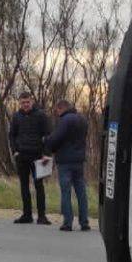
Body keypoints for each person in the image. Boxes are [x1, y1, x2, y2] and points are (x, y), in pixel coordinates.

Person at [42, 98, 89, 232]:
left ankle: (68, 222)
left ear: (61, 108)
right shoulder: (83, 120)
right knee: (81, 191)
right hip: (79, 160)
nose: (56, 113)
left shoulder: (65, 120)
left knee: (66, 191)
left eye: (57, 110)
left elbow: (56, 138)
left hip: (65, 161)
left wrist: (47, 142)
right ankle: (84, 222)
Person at [7, 90, 51, 225]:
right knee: (24, 186)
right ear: (19, 103)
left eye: (27, 102)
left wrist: (46, 153)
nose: (25, 104)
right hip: (22, 156)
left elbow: (48, 135)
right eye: (23, 103)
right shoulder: (16, 116)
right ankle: (27, 215)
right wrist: (15, 151)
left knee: (39, 186)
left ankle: (42, 216)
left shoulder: (41, 115)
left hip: (38, 156)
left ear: (32, 101)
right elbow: (12, 135)